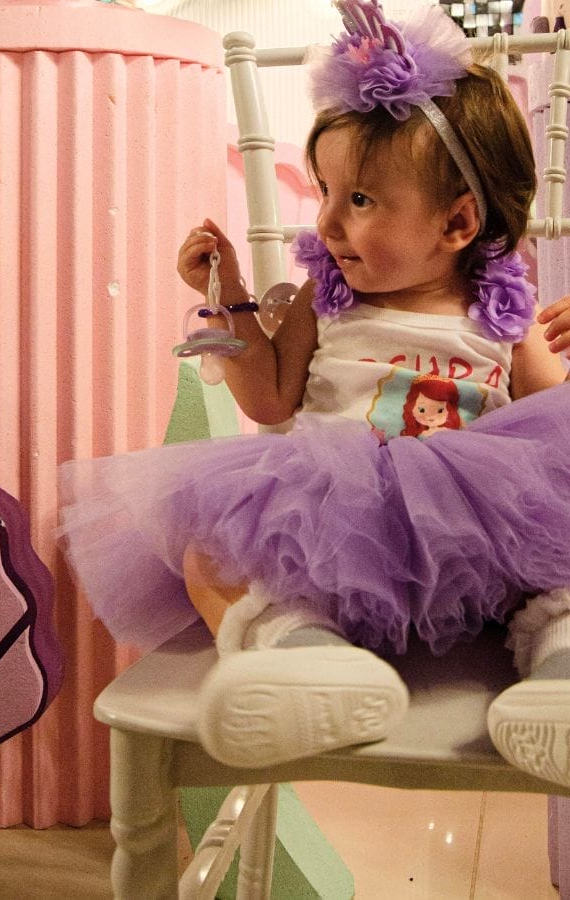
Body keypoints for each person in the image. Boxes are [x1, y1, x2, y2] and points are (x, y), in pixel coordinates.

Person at [59, 1, 570, 786]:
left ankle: (561, 665)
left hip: (481, 537)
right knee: (209, 550)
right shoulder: (321, 303)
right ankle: (307, 658)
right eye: (326, 190)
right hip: (341, 520)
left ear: (458, 223)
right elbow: (269, 400)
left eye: (360, 201)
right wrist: (227, 294)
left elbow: (548, 424)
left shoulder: (500, 312)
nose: (326, 220)